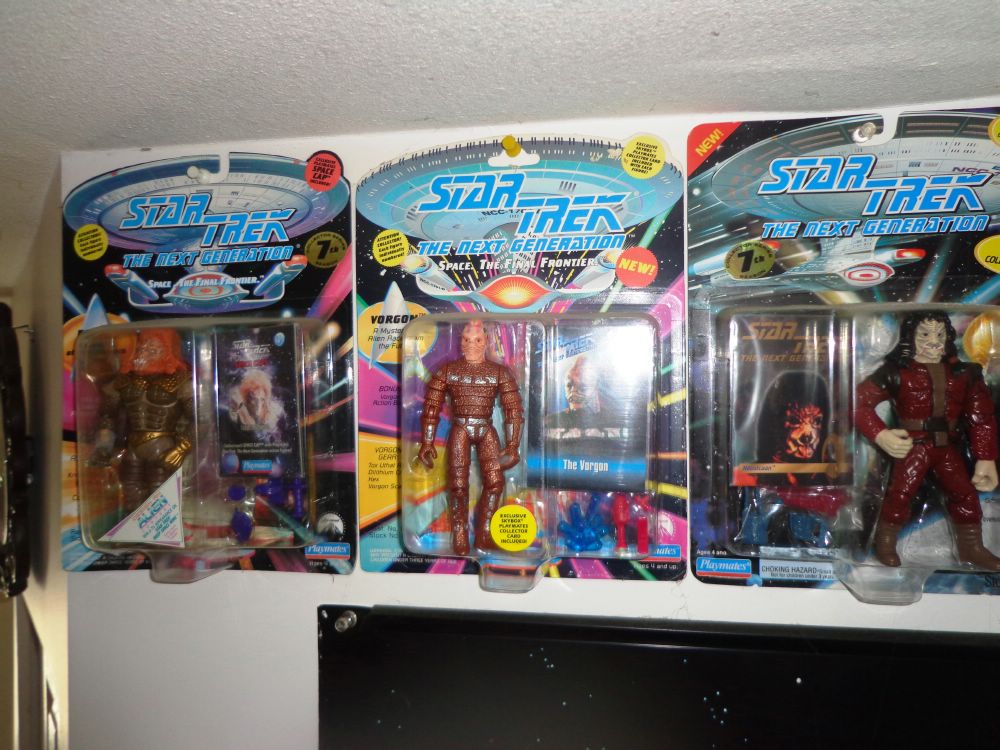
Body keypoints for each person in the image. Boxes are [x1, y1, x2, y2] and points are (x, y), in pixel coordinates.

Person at [855, 311, 1000, 569]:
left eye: (940, 334)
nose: (933, 341)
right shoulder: (895, 372)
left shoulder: (964, 373)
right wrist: (881, 434)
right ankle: (884, 544)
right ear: (910, 338)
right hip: (913, 446)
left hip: (947, 447)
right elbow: (857, 403)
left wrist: (986, 458)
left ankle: (971, 548)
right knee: (900, 494)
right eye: (924, 334)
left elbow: (981, 417)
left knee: (965, 495)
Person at [417, 320, 523, 555]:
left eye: (477, 340)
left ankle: (484, 532)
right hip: (460, 429)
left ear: (486, 342)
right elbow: (432, 406)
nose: (472, 344)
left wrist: (513, 445)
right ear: (460, 342)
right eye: (466, 339)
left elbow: (513, 409)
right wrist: (427, 441)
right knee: (457, 485)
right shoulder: (448, 370)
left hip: (486, 429)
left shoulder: (499, 372)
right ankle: (460, 532)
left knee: (495, 483)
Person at [91, 328, 193, 509]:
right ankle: (131, 525)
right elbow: (107, 415)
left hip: (163, 447)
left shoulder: (181, 382)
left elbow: (201, 420)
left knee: (161, 499)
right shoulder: (125, 381)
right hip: (133, 447)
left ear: (167, 350)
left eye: (153, 348)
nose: (145, 351)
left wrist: (181, 449)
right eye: (142, 347)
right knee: (131, 495)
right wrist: (104, 446)